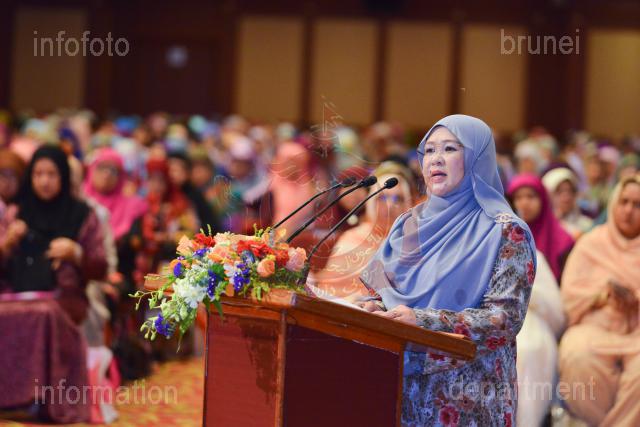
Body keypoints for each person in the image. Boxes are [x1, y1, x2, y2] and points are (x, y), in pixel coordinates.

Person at [359, 115, 536, 426]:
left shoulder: (506, 231)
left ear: (477, 158)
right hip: (395, 384)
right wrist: (372, 308)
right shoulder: (409, 223)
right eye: (429, 150)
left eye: (450, 149)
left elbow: (503, 320)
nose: (436, 159)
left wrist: (422, 321)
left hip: (466, 395)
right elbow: (380, 288)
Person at [558, 174, 640, 426]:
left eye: (637, 205)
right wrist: (602, 296)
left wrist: (634, 300)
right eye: (624, 202)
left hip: (637, 332)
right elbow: (570, 295)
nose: (628, 211)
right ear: (614, 203)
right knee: (578, 356)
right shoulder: (591, 243)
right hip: (595, 327)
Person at [0, 145, 108, 324]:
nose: (44, 181)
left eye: (51, 174)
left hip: (64, 300)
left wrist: (76, 254)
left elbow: (101, 268)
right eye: (38, 174)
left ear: (63, 176)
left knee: (49, 314)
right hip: (15, 297)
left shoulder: (82, 215)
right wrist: (7, 243)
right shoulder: (15, 213)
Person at [310, 161, 414, 298]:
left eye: (398, 199)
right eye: (383, 198)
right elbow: (329, 285)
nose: (390, 205)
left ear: (408, 205)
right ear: (371, 201)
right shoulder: (353, 237)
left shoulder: (411, 246)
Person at [515, 250, 565, 426]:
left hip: (532, 327)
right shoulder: (476, 252)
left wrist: (523, 290)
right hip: (483, 329)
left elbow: (557, 316)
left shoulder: (530, 254)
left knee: (529, 350)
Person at [507, 174, 574, 281]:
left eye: (531, 196)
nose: (524, 203)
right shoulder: (506, 239)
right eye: (518, 198)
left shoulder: (563, 242)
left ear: (543, 199)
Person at [542, 167, 593, 239]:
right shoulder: (541, 226)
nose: (566, 197)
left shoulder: (587, 225)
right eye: (559, 191)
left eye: (571, 191)